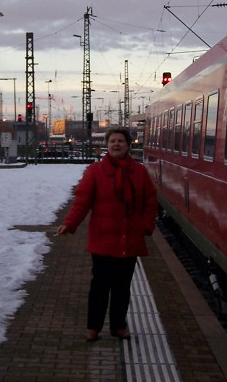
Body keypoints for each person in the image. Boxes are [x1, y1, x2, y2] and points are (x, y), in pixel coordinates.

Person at [57, 127, 158, 342]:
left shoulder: (139, 173)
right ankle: (93, 327)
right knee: (100, 287)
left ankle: (118, 326)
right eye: (112, 141)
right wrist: (69, 224)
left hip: (130, 239)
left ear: (128, 145)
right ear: (107, 145)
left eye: (121, 141)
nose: (116, 144)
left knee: (122, 288)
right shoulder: (95, 172)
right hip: (103, 239)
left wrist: (146, 226)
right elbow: (82, 202)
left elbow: (150, 201)